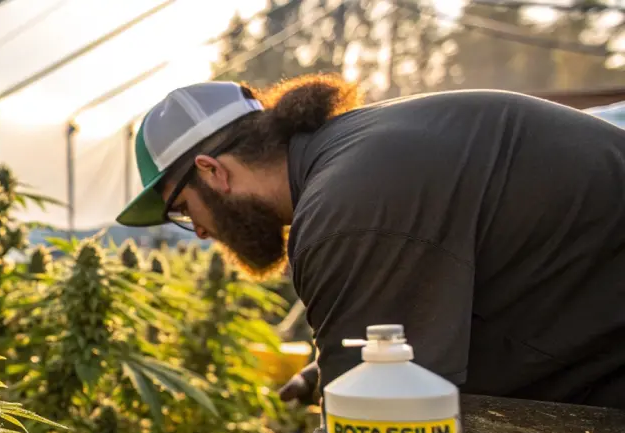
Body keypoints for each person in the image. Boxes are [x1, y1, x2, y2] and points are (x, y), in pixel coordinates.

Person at [115, 74, 625, 409]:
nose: (199, 231)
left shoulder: (341, 211)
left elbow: (381, 424)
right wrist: (329, 369)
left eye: (183, 209)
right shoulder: (353, 161)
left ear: (212, 172)